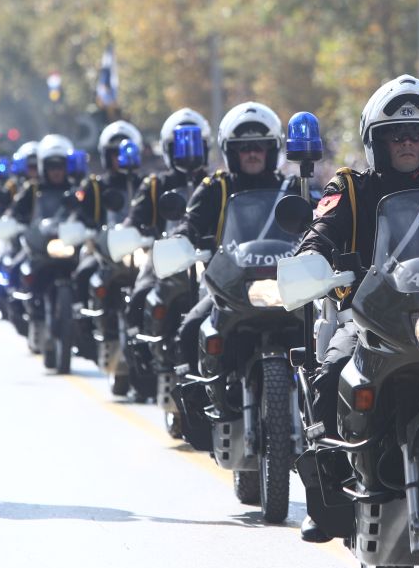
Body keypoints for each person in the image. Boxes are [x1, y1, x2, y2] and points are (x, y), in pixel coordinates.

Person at [293, 74, 419, 543]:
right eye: (395, 134)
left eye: (417, 133)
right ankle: (328, 501)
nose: (406, 141)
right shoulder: (351, 188)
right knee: (331, 373)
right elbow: (321, 230)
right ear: (377, 140)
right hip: (366, 317)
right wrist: (312, 256)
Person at [172, 102, 297, 369]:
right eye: (244, 148)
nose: (252, 153)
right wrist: (182, 238)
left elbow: (320, 220)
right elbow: (190, 222)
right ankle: (193, 405)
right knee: (190, 328)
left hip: (286, 285)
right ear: (231, 151)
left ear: (272, 148)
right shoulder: (215, 187)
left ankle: (315, 404)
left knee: (321, 330)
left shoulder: (293, 186)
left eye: (259, 146)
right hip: (230, 285)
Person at [122, 108, 214, 395]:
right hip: (165, 254)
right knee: (140, 292)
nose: (188, 153)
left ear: (206, 148)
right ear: (168, 149)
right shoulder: (155, 184)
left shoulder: (215, 183)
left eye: (195, 146)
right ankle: (138, 349)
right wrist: (136, 232)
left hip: (209, 258)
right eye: (181, 146)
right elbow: (134, 218)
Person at [68, 120, 144, 359]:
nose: (119, 159)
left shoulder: (143, 184)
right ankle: (82, 324)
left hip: (137, 248)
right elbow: (81, 211)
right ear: (105, 156)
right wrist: (89, 225)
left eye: (124, 153)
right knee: (82, 274)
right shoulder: (95, 185)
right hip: (102, 249)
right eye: (114, 154)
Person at [5, 134, 74, 225]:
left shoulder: (75, 190)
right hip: (38, 238)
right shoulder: (32, 190)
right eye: (51, 166)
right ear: (43, 167)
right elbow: (12, 216)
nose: (56, 171)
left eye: (60, 166)